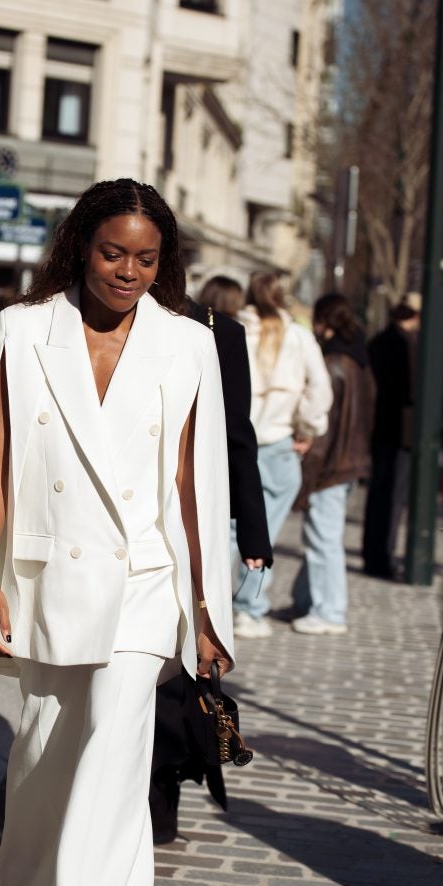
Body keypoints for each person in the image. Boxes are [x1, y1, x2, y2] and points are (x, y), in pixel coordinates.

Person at [0, 178, 234, 886]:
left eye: (147, 259)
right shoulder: (25, 329)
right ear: (81, 246)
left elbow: (197, 483)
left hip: (144, 587)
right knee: (45, 753)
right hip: (46, 581)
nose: (128, 272)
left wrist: (205, 606)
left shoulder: (189, 344)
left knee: (114, 776)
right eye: (114, 253)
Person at [148, 288, 273, 844]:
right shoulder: (95, 314)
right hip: (119, 521)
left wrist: (253, 529)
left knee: (178, 665)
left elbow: (236, 435)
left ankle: (160, 795)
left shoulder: (220, 331)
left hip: (196, 516)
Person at [233, 271, 333, 637]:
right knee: (264, 531)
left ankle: (214, 605)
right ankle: (250, 609)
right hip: (277, 443)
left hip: (237, 442)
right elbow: (319, 391)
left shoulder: (234, 329)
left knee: (227, 532)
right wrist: (308, 428)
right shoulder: (299, 337)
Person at [290, 294, 375, 634]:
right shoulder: (359, 361)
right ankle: (308, 600)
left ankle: (330, 611)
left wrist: (309, 474)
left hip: (334, 464)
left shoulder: (335, 363)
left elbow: (324, 428)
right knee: (322, 536)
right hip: (352, 460)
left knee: (324, 538)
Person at [362, 302, 420, 578]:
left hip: (380, 427)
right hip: (399, 431)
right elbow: (410, 389)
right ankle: (381, 557)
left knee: (380, 494)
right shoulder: (405, 344)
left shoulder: (379, 341)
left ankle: (374, 554)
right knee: (392, 497)